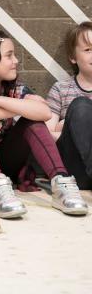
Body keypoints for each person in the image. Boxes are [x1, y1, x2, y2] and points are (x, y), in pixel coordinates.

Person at [0, 29, 87, 219]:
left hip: (7, 160)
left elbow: (44, 112)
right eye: (9, 56)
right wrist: (20, 106)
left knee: (32, 120)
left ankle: (60, 182)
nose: (16, 61)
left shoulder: (14, 87)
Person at [46, 21, 92, 189]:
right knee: (81, 107)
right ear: (73, 57)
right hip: (76, 170)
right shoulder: (61, 89)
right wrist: (71, 129)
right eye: (88, 50)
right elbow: (46, 135)